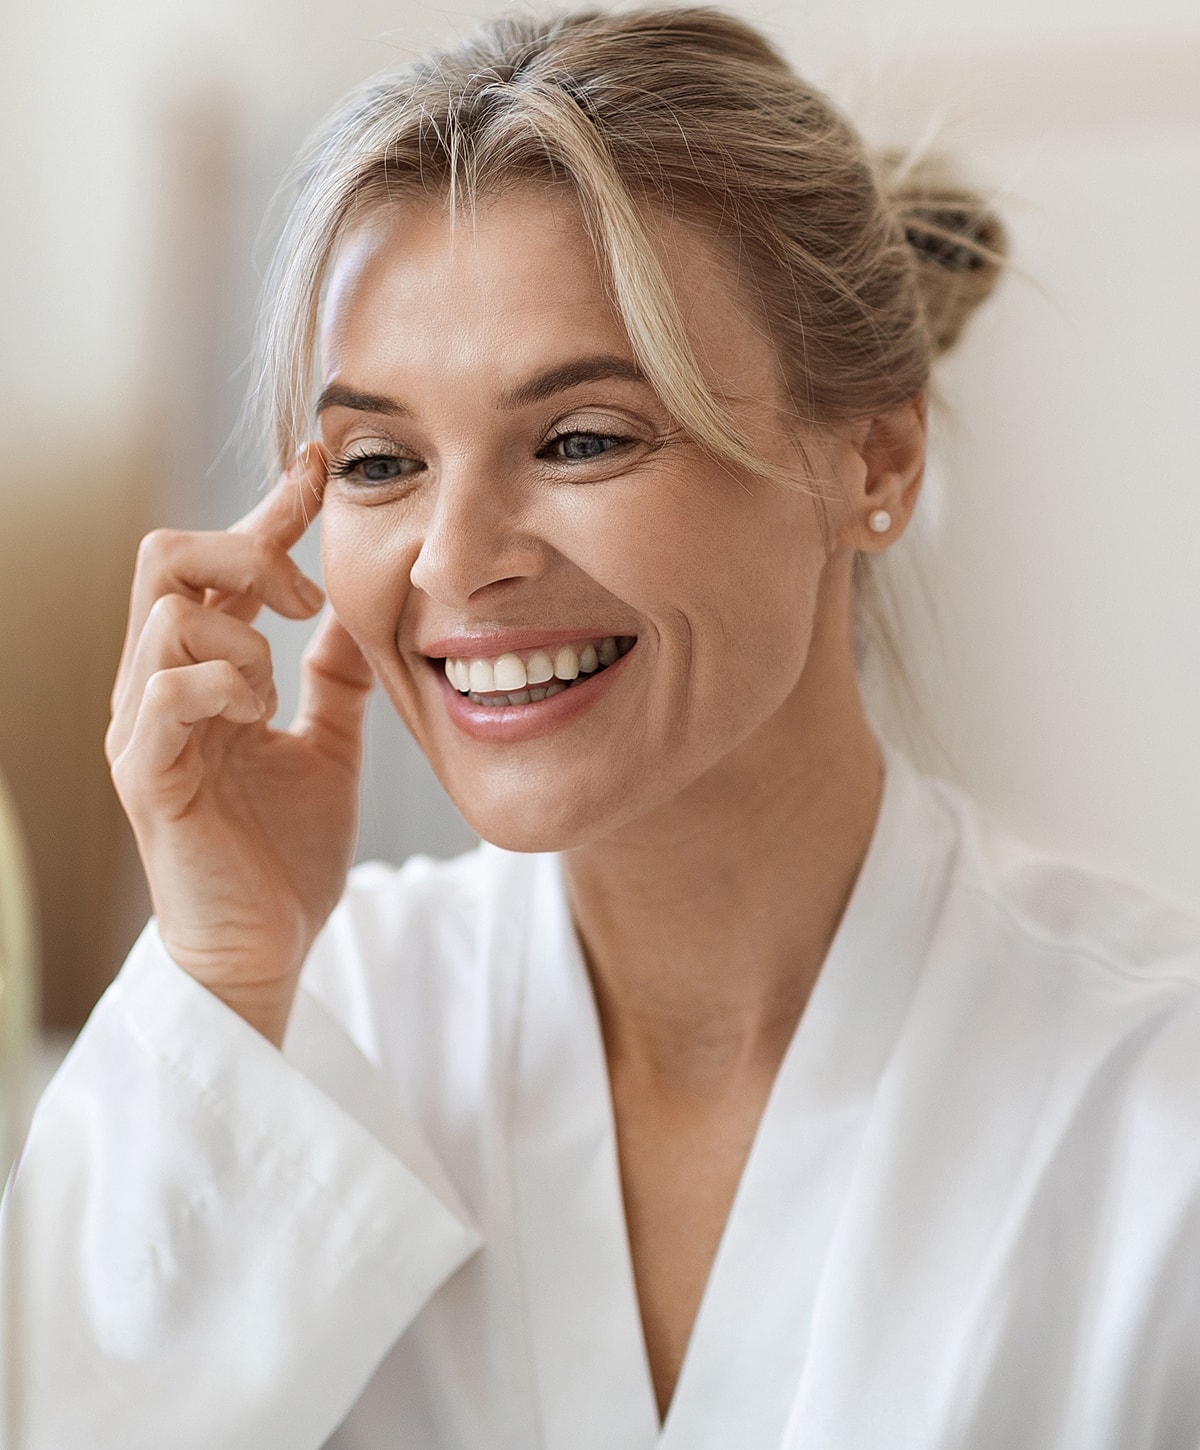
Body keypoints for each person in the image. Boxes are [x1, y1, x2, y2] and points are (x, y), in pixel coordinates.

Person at [5, 7, 1199, 1449]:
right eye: (381, 461)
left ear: (874, 458)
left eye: (582, 437)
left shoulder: (1151, 1108)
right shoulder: (309, 1031)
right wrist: (224, 967)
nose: (454, 561)